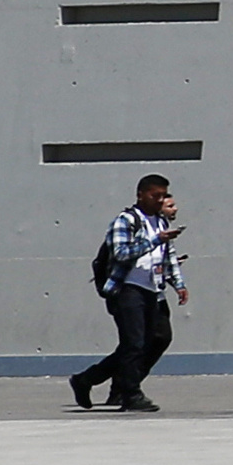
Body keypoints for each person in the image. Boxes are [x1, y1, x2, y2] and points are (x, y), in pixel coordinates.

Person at [73, 174, 181, 412]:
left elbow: (167, 256)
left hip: (152, 289)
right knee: (134, 343)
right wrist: (154, 241)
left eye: (163, 195)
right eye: (155, 196)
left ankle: (87, 379)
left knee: (153, 340)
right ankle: (129, 393)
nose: (160, 200)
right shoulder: (125, 221)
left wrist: (178, 283)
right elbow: (121, 253)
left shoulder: (160, 222)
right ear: (140, 194)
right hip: (126, 289)